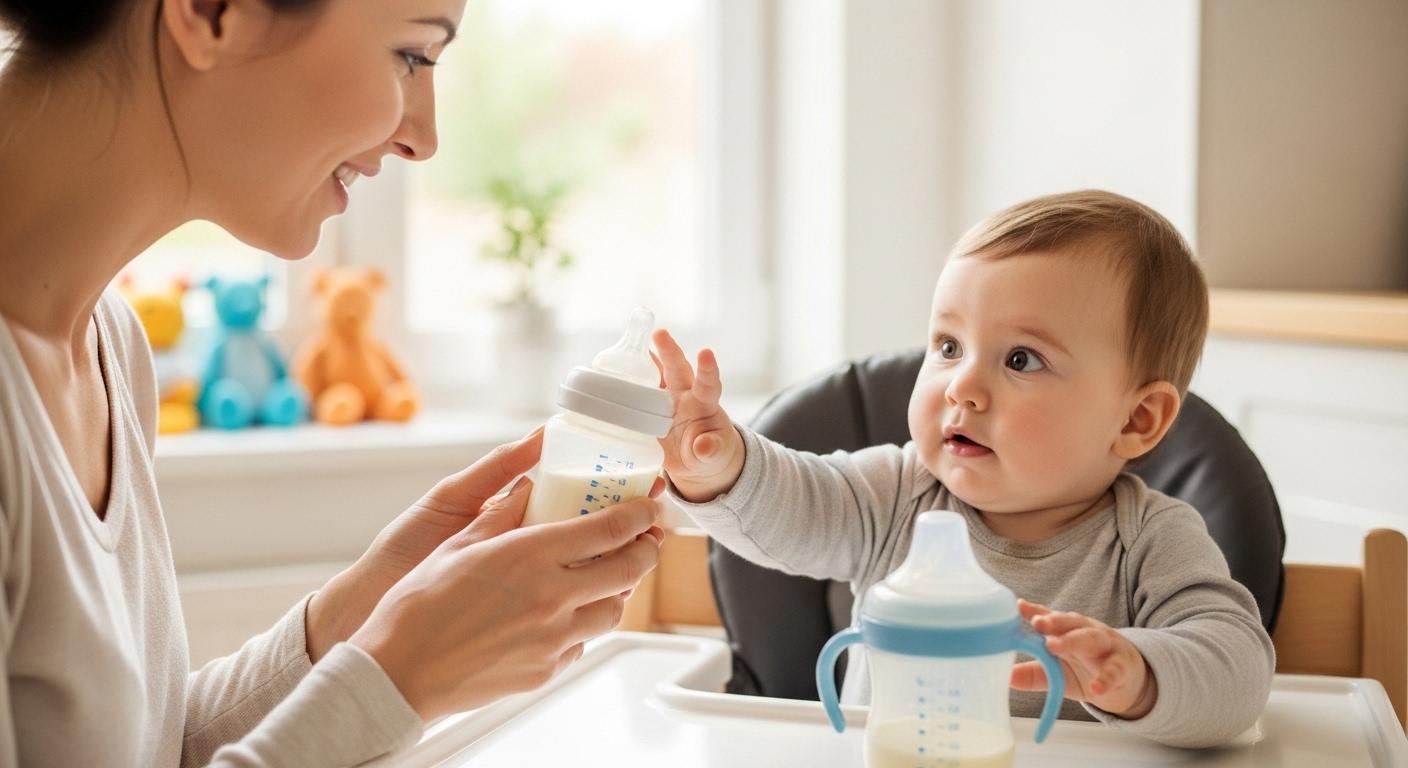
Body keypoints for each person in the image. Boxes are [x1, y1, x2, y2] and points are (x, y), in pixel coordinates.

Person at [0, 0, 665, 765]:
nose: (425, 138)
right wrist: (397, 679)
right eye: (411, 56)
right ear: (212, 12)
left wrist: (361, 616)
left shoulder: (106, 344)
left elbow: (144, 752)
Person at [652, 189, 1275, 748]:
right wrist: (720, 464)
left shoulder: (1152, 541)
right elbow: (797, 505)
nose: (964, 387)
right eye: (949, 347)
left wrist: (1137, 674)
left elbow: (1238, 667)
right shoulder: (899, 497)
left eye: (1023, 360)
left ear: (1137, 420)